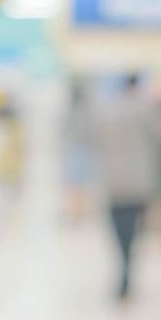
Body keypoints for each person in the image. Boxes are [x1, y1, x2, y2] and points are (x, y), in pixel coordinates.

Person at [91, 73, 161, 301]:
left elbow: (97, 142)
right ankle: (128, 268)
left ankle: (123, 267)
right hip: (138, 181)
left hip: (114, 182)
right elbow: (159, 139)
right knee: (134, 229)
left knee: (118, 229)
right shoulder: (145, 110)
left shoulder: (107, 112)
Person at [61, 81, 94, 222]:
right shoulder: (80, 112)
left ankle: (78, 211)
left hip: (79, 149)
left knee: (78, 184)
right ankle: (76, 211)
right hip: (78, 149)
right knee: (78, 184)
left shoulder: (80, 112)